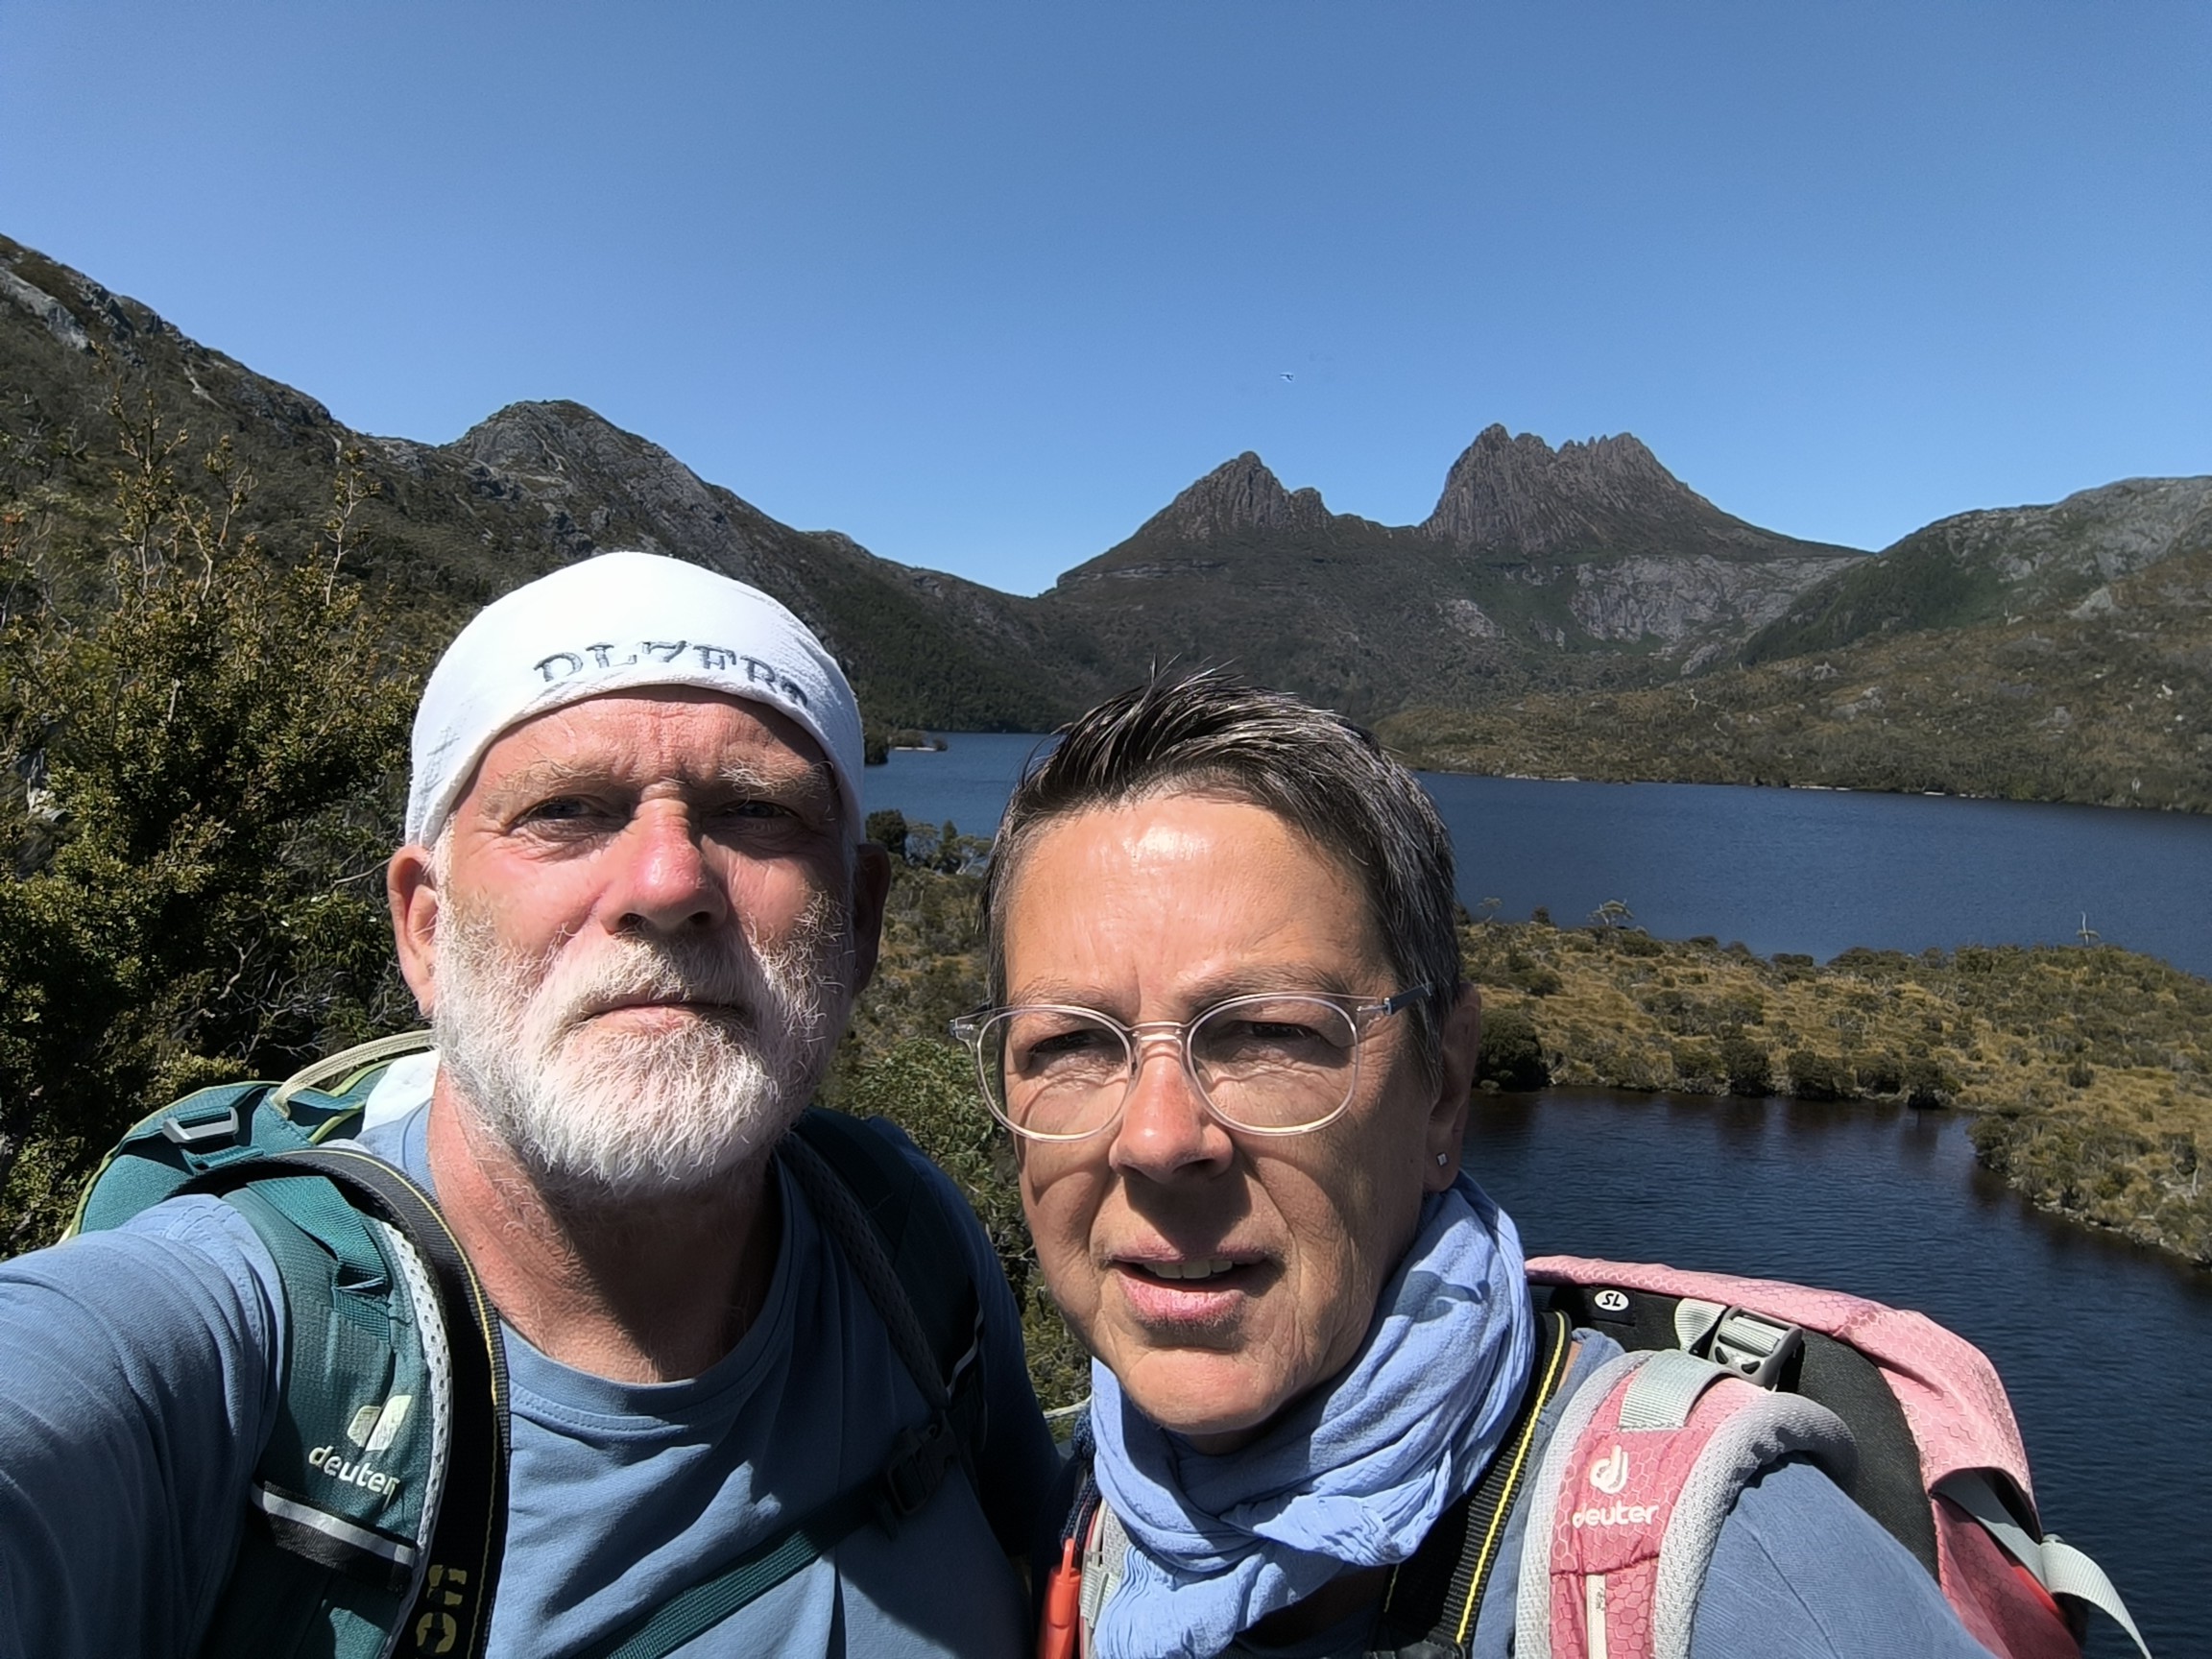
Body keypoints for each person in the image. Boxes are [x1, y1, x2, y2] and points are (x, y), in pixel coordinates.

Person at [0, 551, 1057, 1657]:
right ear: (426, 928)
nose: (669, 885)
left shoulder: (906, 1248)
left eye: (753, 811)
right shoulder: (233, 1347)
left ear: (860, 925)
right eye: (565, 810)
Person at [961, 671, 1998, 1659]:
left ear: (1445, 1086)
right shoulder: (1107, 1504)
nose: (1156, 1138)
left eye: (1270, 1034)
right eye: (1070, 1044)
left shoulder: (1740, 1577)